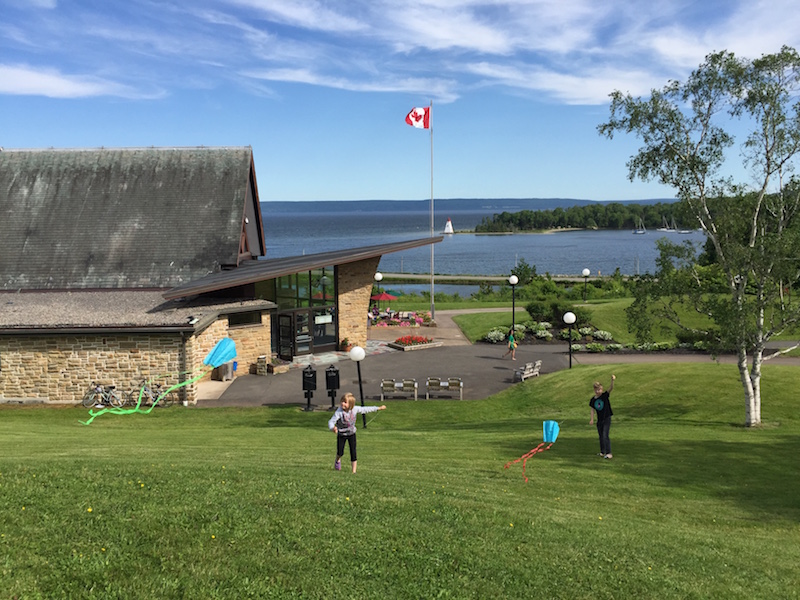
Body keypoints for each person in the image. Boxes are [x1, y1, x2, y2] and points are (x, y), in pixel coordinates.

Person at [328, 392, 386, 474]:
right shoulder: (339, 412)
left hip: (352, 434)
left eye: (345, 402)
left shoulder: (355, 409)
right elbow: (331, 421)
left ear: (351, 404)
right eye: (342, 401)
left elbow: (365, 409)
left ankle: (353, 471)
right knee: (340, 452)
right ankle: (337, 459)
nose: (342, 403)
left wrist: (378, 408)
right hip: (342, 434)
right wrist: (332, 428)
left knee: (353, 451)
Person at [589, 374, 615, 459]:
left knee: (605, 435)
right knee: (600, 436)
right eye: (596, 390)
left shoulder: (604, 396)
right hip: (599, 420)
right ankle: (602, 452)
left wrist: (612, 381)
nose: (598, 391)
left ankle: (609, 453)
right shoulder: (593, 400)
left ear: (602, 389)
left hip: (606, 418)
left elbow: (611, 389)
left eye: (599, 389)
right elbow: (592, 410)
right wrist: (592, 419)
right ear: (594, 390)